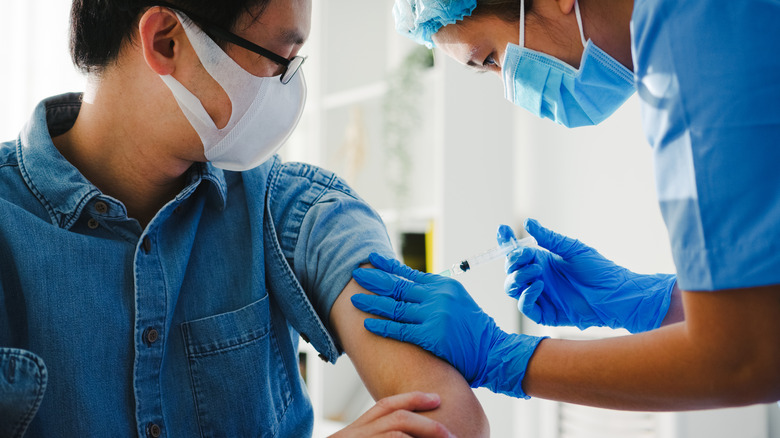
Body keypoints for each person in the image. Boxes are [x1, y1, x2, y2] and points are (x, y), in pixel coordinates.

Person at [0, 1, 489, 436]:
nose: (289, 89)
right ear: (166, 41)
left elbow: (449, 422)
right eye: (278, 59)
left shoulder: (287, 207)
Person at [351, 0, 780, 411]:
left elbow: (746, 357)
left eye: (489, 58)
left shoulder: (689, 36)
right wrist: (643, 300)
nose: (507, 84)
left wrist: (506, 358)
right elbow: (761, 318)